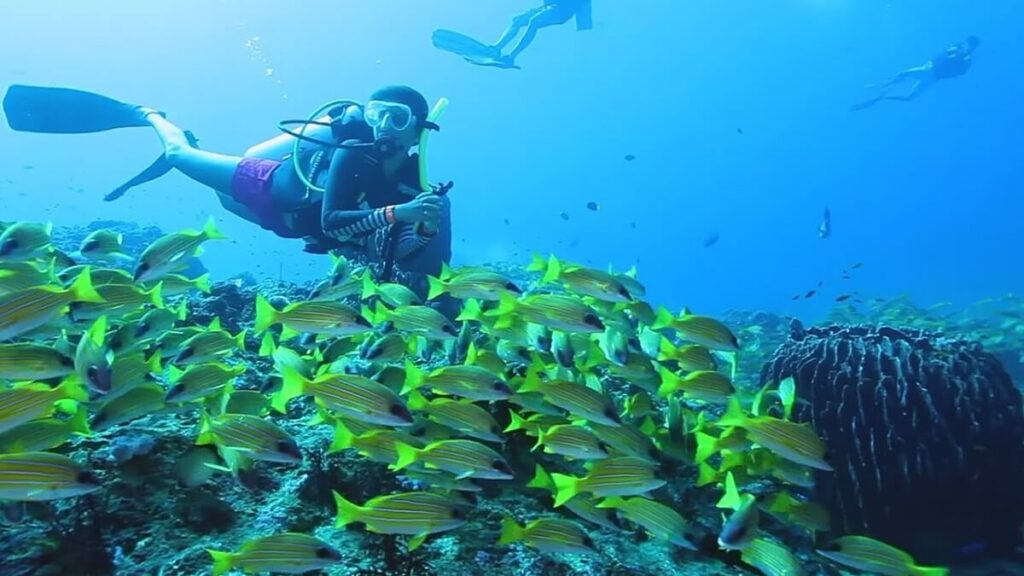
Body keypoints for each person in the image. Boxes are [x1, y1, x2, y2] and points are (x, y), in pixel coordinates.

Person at [0, 83, 453, 305]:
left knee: (220, 200)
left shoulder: (419, 182)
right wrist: (402, 212)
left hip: (287, 223)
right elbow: (336, 220)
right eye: (376, 114)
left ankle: (201, 151)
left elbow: (409, 258)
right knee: (179, 156)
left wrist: (426, 228)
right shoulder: (352, 154)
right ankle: (149, 115)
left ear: (417, 130)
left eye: (395, 119)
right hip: (270, 184)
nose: (380, 128)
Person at [851, 36, 980, 111]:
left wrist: (962, 58)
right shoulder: (959, 48)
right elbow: (949, 55)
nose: (970, 46)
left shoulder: (968, 57)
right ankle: (882, 87)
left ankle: (882, 96)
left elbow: (961, 71)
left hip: (934, 76)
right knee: (903, 77)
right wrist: (958, 54)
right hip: (930, 70)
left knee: (909, 96)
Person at [490, 0, 593, 67]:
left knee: (534, 21)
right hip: (550, 7)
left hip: (561, 12)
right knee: (517, 20)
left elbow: (584, 16)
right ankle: (496, 48)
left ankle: (511, 57)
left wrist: (583, 24)